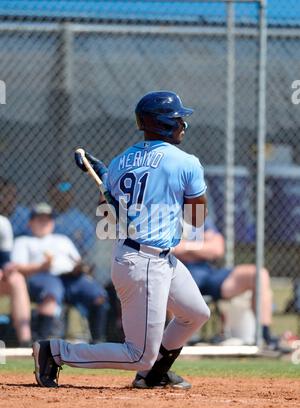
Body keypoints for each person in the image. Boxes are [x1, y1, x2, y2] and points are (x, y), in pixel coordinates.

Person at [32, 90, 211, 389]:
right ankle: (55, 351)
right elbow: (196, 220)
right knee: (138, 354)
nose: (183, 125)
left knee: (195, 313)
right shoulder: (186, 162)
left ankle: (154, 375)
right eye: (179, 119)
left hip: (150, 257)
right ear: (164, 123)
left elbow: (110, 215)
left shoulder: (118, 162)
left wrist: (105, 173)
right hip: (144, 263)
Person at [11, 202, 108, 342]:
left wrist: (81, 269)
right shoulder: (24, 241)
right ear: (30, 222)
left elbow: (77, 261)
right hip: (43, 276)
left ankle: (98, 342)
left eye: (48, 219)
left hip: (71, 278)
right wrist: (41, 266)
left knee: (98, 295)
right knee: (51, 293)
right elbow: (17, 267)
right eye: (40, 219)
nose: (45, 222)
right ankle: (40, 342)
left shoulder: (63, 239)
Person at [173, 217, 275, 347]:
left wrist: (187, 246)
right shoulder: (159, 212)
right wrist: (199, 248)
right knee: (163, 282)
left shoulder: (194, 212)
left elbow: (217, 248)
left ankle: (264, 335)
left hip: (205, 275)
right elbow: (169, 249)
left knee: (259, 274)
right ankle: (168, 341)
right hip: (174, 274)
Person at [0, 214, 32, 346]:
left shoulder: (2, 223)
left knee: (17, 279)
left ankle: (25, 342)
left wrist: (7, 268)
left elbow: (4, 259)